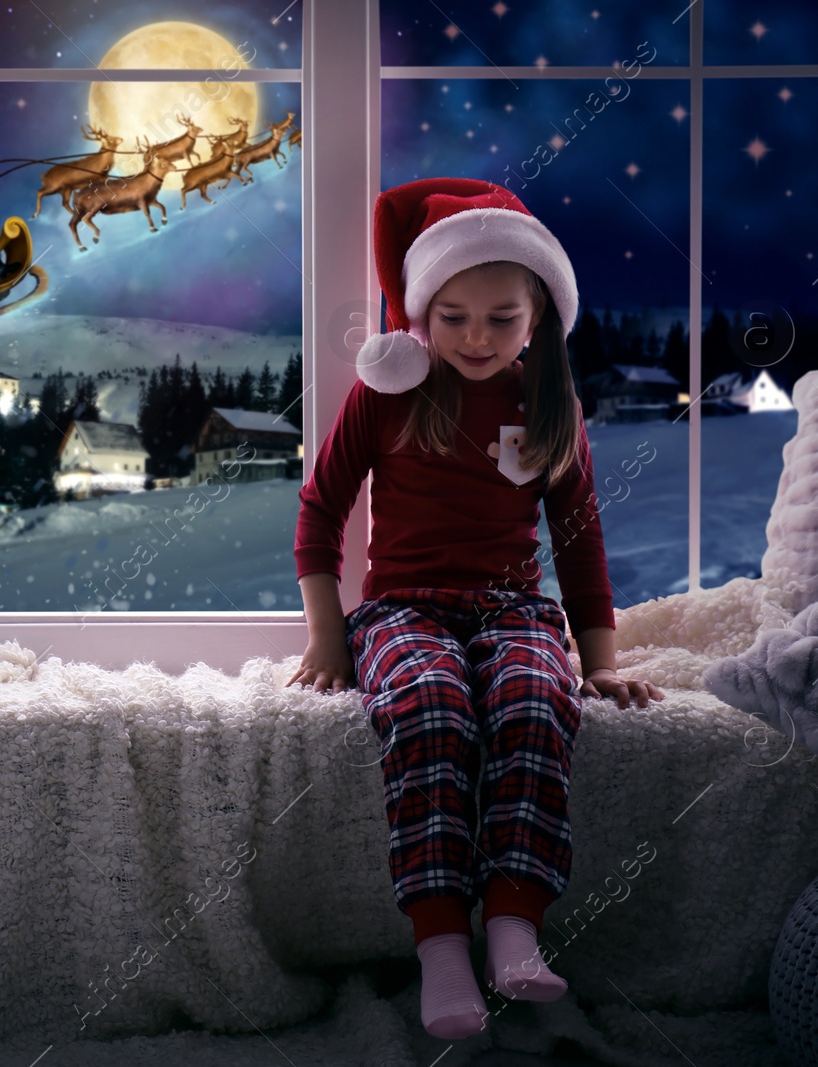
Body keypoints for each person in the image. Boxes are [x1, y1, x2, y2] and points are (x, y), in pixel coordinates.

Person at [287, 178, 665, 1042]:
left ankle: (513, 923)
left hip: (514, 612)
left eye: (501, 318)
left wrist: (598, 659)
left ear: (538, 316)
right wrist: (327, 637)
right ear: (422, 311)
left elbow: (578, 542)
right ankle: (441, 945)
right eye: (453, 315)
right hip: (401, 612)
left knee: (538, 701)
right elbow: (320, 513)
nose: (476, 337)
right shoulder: (386, 395)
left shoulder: (548, 401)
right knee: (428, 710)